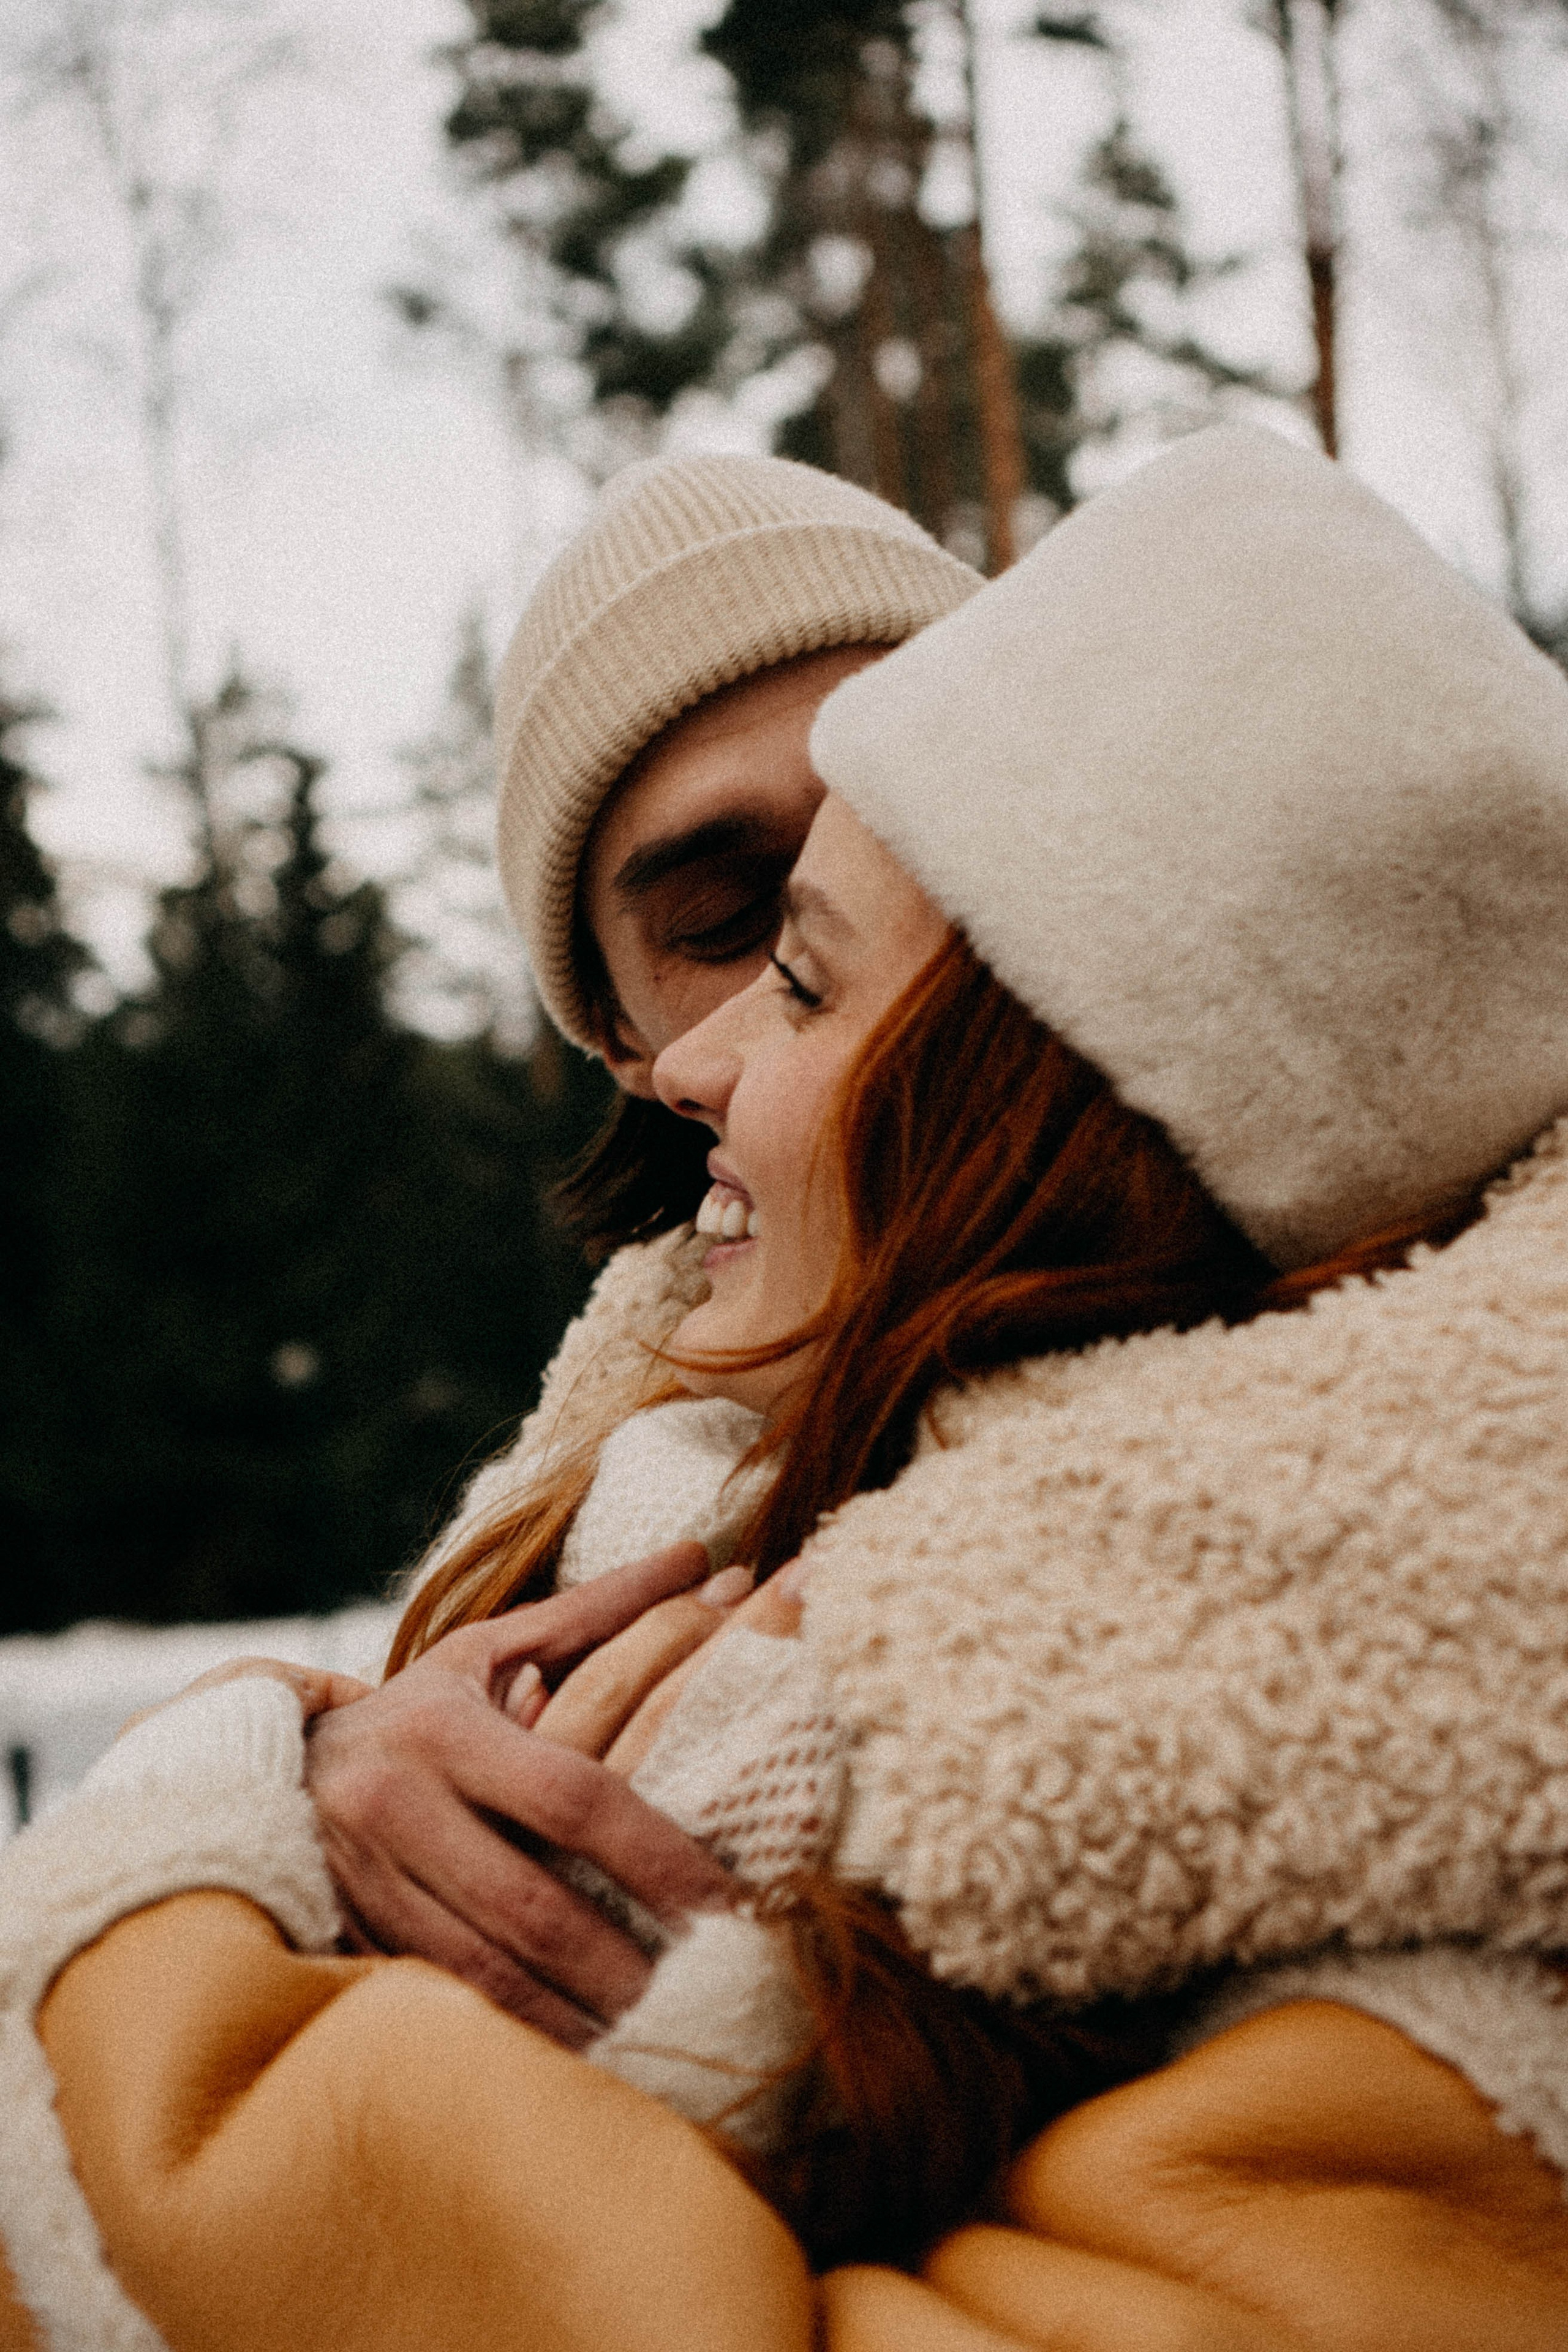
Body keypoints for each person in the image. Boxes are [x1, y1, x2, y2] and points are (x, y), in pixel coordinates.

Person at [7, 424, 1568, 2350]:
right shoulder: (627, 1506)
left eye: (832, 940)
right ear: (618, 1038)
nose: (736, 1045)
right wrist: (314, 1773)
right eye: (734, 919)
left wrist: (167, 1902)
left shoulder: (1388, 1652)